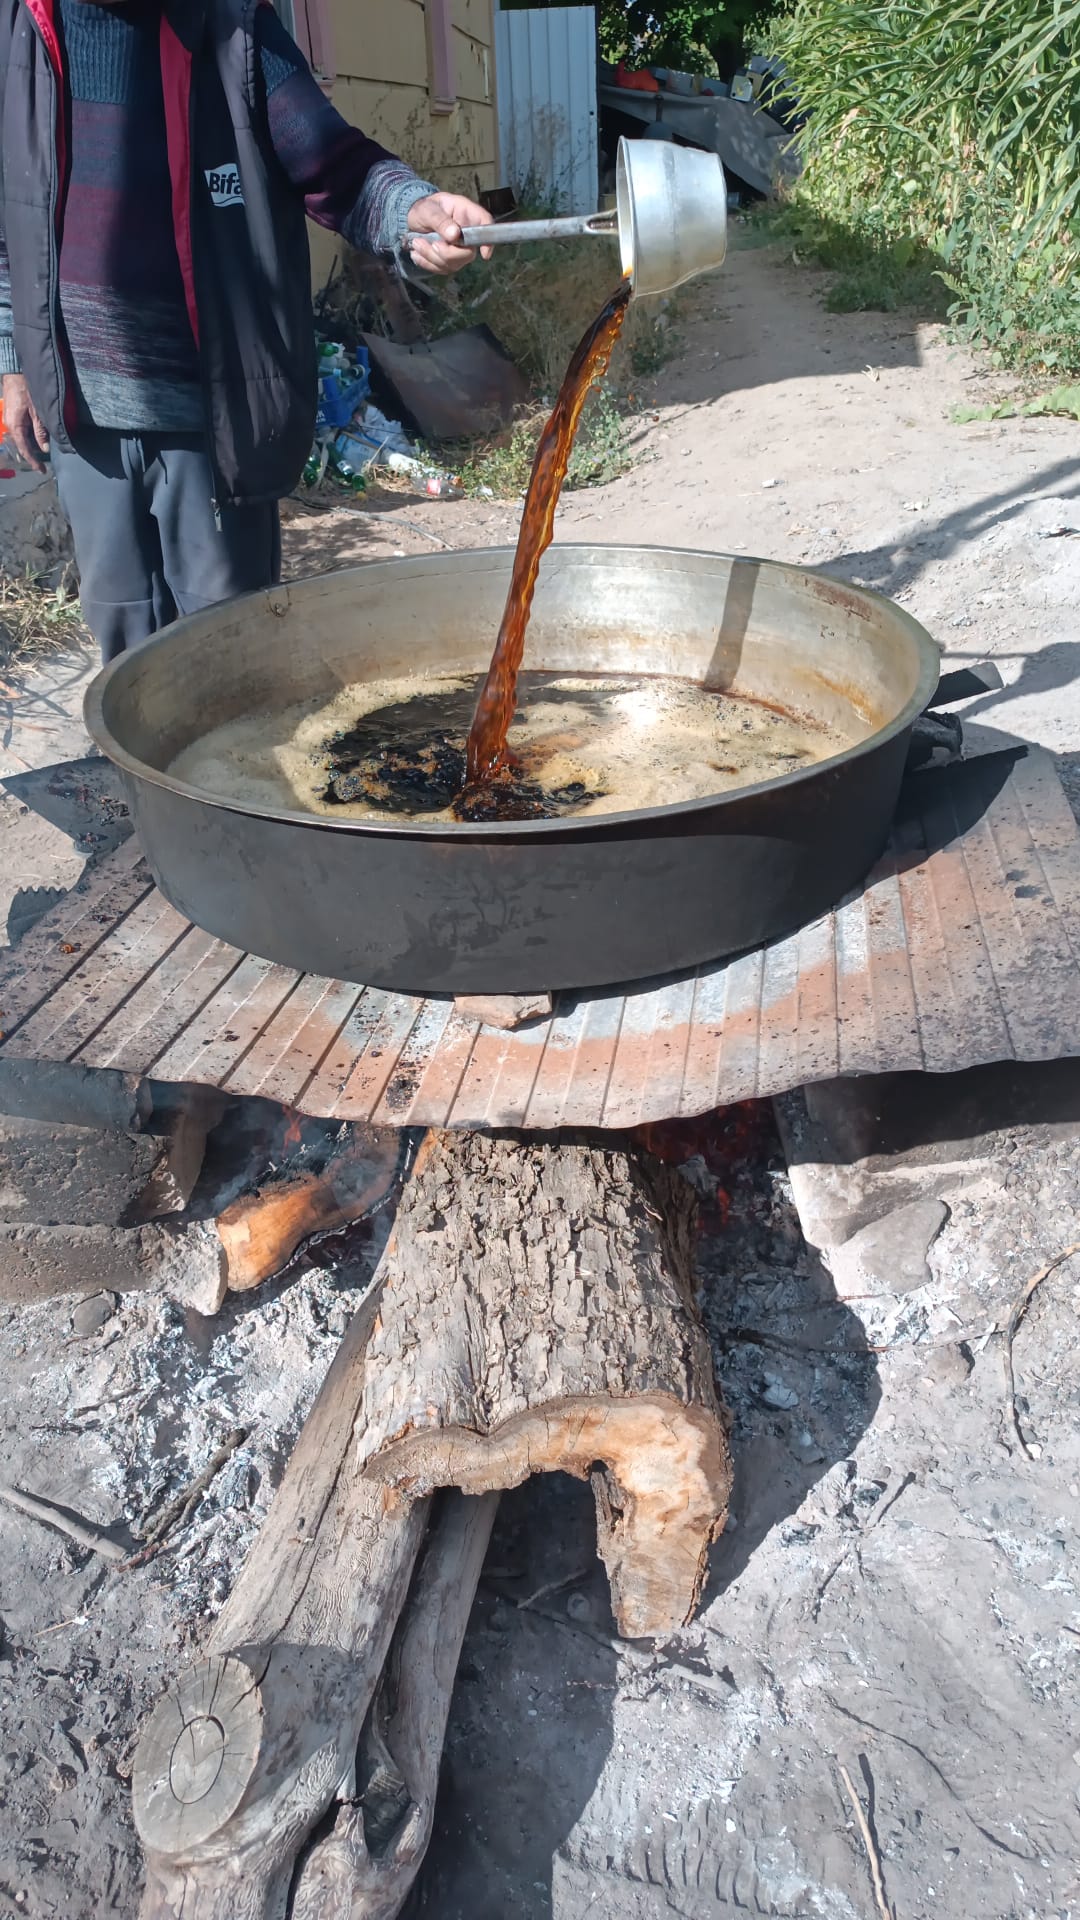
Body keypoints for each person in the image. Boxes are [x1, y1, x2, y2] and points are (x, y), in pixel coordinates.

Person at [0, 0, 493, 660]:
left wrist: (411, 211)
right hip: (84, 421)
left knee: (230, 660)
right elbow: (10, 218)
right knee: (123, 654)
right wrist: (11, 361)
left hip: (212, 420)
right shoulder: (17, 30)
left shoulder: (230, 27)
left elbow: (333, 162)